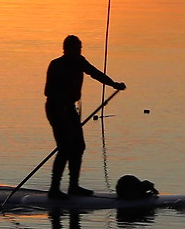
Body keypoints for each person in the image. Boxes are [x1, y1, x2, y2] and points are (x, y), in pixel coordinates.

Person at [43, 34, 124, 198]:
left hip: (70, 109)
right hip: (56, 108)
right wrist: (63, 113)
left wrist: (114, 84)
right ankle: (54, 189)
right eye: (76, 49)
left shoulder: (80, 62)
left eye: (80, 49)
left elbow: (96, 73)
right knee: (65, 147)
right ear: (66, 50)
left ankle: (73, 186)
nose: (78, 52)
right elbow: (48, 92)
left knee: (78, 146)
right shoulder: (57, 65)